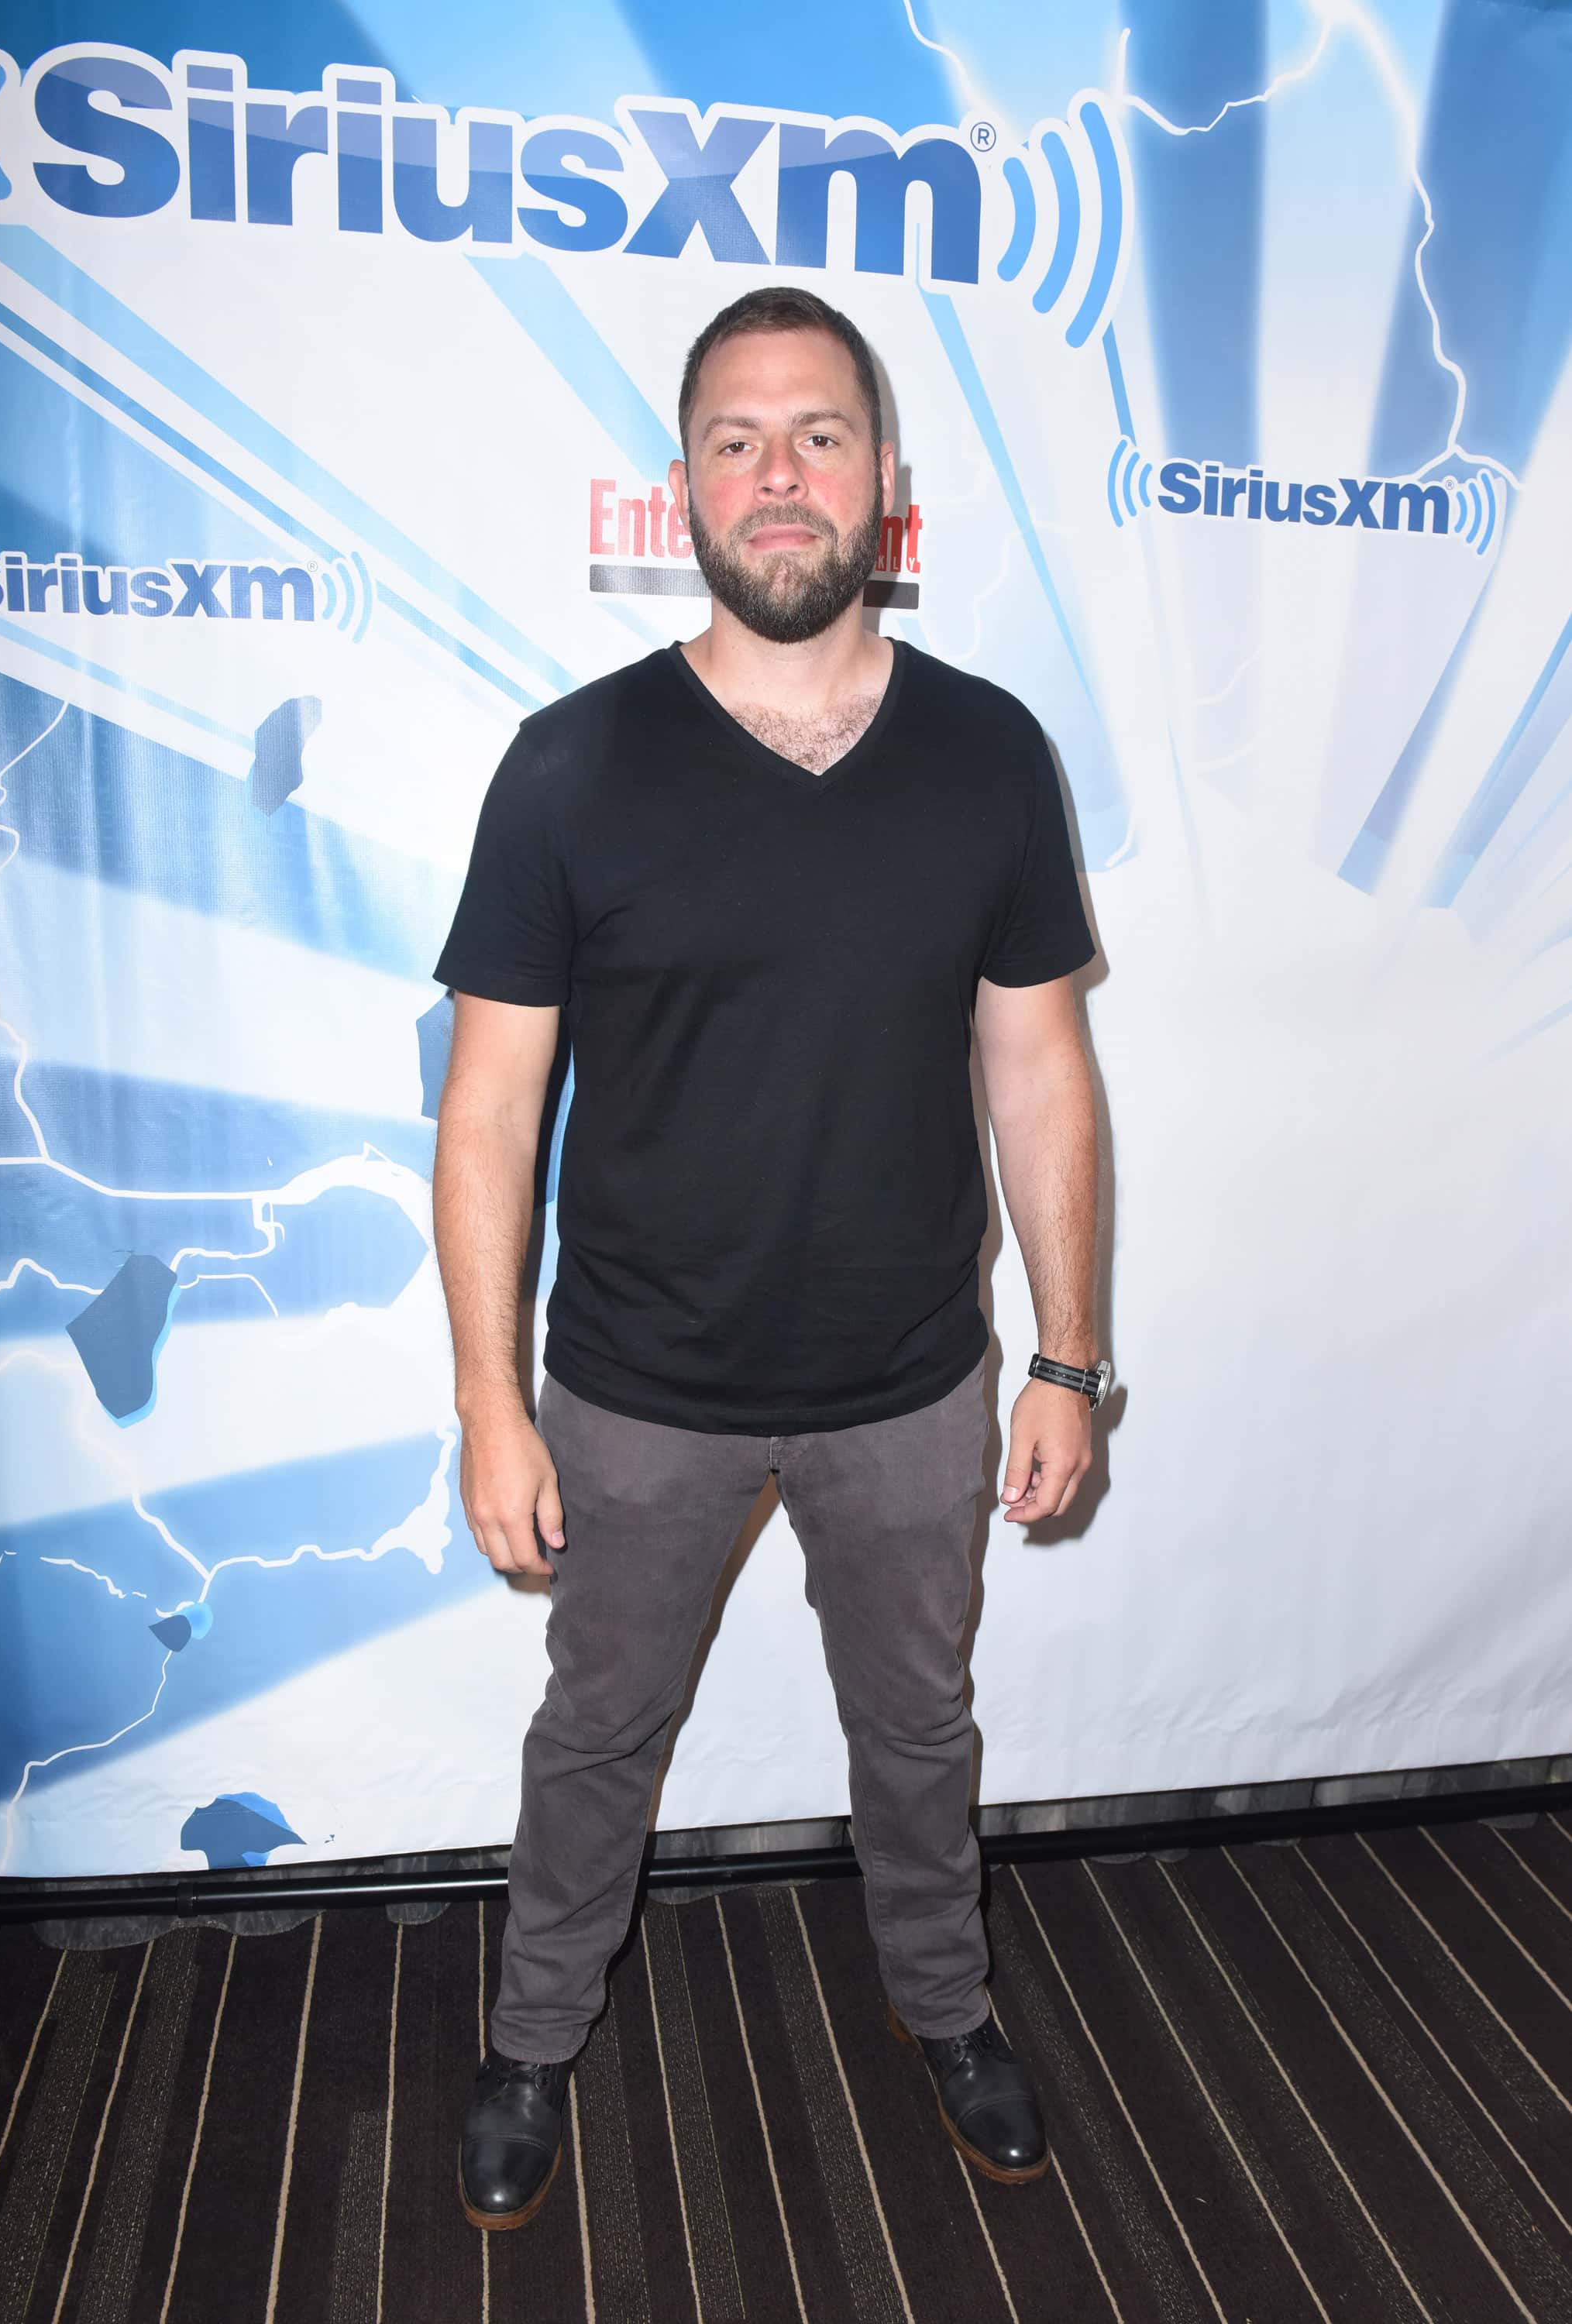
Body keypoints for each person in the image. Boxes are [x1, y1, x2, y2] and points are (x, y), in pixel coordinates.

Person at [431, 285, 1105, 2233]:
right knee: (596, 1737)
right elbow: (488, 1115)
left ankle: (945, 2007)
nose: (777, 476)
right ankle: (534, 2038)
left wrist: (1064, 1357)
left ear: (885, 484)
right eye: (735, 440)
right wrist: (489, 1403)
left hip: (913, 1384)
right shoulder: (569, 768)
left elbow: (1039, 1068)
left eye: (817, 436)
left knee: (918, 1728)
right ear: (678, 495)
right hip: (636, 1392)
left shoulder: (988, 757)